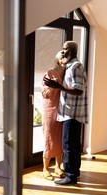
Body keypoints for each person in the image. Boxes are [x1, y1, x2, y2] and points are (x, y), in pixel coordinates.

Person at [44, 41, 88, 185]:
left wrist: (58, 86)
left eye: (65, 49)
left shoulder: (76, 67)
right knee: (74, 144)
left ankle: (70, 176)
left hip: (72, 113)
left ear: (73, 51)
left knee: (68, 145)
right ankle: (75, 172)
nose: (62, 52)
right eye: (62, 49)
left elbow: (78, 90)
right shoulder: (71, 67)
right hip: (71, 112)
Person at [42, 51, 65, 180]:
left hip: (62, 110)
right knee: (49, 139)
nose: (66, 61)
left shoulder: (66, 74)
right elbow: (45, 94)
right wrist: (52, 87)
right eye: (63, 59)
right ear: (58, 61)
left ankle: (58, 167)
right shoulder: (50, 73)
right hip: (50, 110)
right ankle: (45, 168)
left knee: (59, 138)